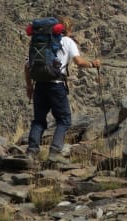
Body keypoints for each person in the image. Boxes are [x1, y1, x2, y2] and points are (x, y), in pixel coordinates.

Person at [25, 16, 101, 164]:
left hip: (39, 84)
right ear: (69, 29)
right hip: (56, 85)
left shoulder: (39, 41)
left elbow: (27, 66)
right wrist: (93, 64)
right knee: (64, 120)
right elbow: (78, 62)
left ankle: (31, 152)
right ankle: (55, 152)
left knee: (39, 120)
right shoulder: (67, 41)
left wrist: (29, 86)